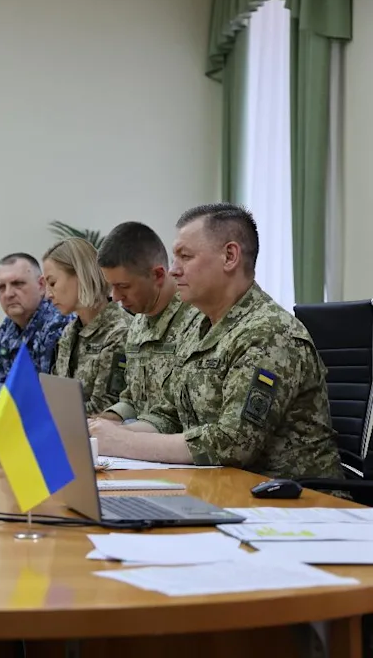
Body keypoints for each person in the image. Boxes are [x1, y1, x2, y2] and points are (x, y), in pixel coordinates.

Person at [88, 204, 343, 480]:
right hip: (221, 486)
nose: (173, 271)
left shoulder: (269, 333)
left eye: (185, 256)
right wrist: (104, 433)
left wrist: (124, 442)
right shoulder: (198, 328)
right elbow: (169, 416)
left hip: (294, 496)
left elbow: (233, 443)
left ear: (229, 256)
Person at [95, 222, 199, 423]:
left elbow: (185, 417)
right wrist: (104, 420)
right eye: (112, 287)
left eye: (123, 286)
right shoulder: (137, 323)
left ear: (157, 275)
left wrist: (125, 434)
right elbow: (132, 399)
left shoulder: (196, 321)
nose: (115, 297)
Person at [0, 252, 71, 418]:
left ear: (41, 285)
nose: (8, 294)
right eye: (1, 287)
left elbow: (48, 395)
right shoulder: (7, 327)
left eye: (18, 284)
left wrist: (0, 401)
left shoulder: (59, 323)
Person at [43, 237, 132, 415]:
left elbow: (103, 410)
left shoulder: (118, 331)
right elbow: (54, 397)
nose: (48, 294)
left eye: (52, 283)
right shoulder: (69, 332)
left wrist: (36, 412)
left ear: (80, 275)